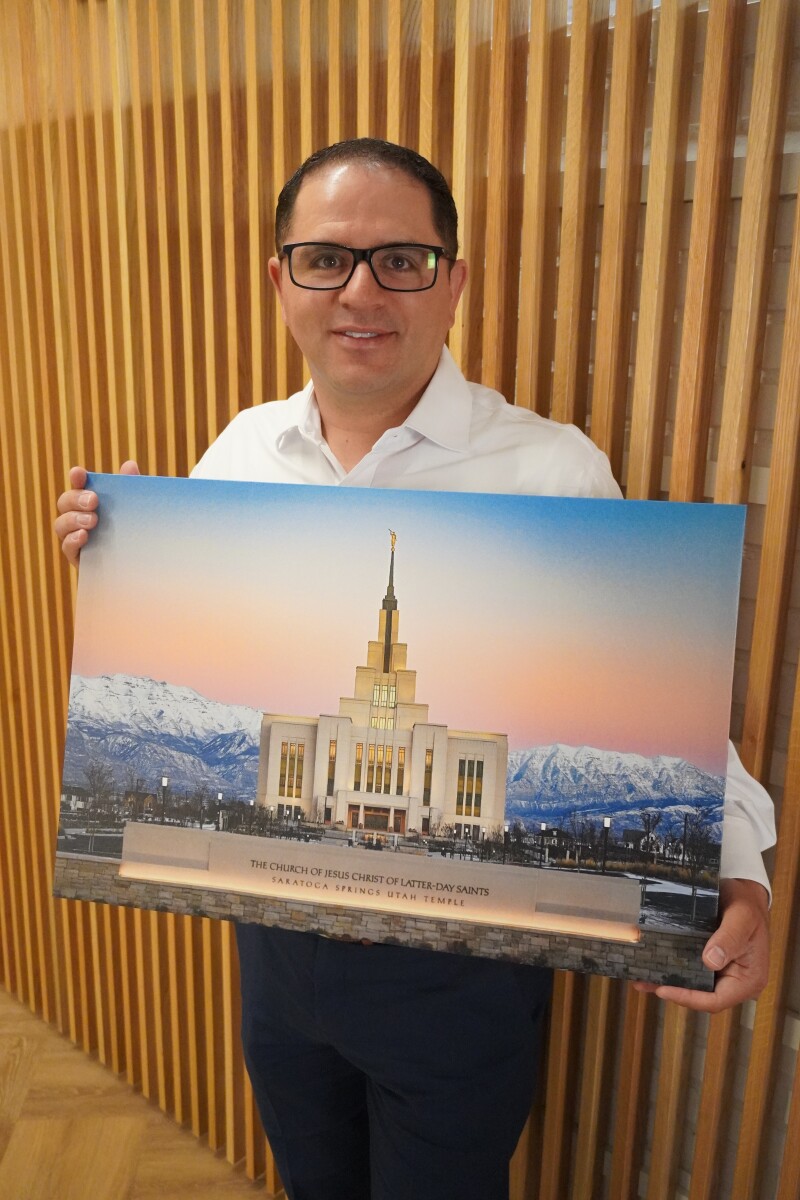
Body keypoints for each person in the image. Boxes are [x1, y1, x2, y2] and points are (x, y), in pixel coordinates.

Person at [55, 139, 774, 1200]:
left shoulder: (544, 468)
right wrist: (111, 563)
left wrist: (741, 866)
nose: (359, 291)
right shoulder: (239, 454)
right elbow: (182, 654)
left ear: (451, 279)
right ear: (279, 278)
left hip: (460, 976)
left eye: (400, 259)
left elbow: (658, 687)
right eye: (324, 258)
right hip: (277, 944)